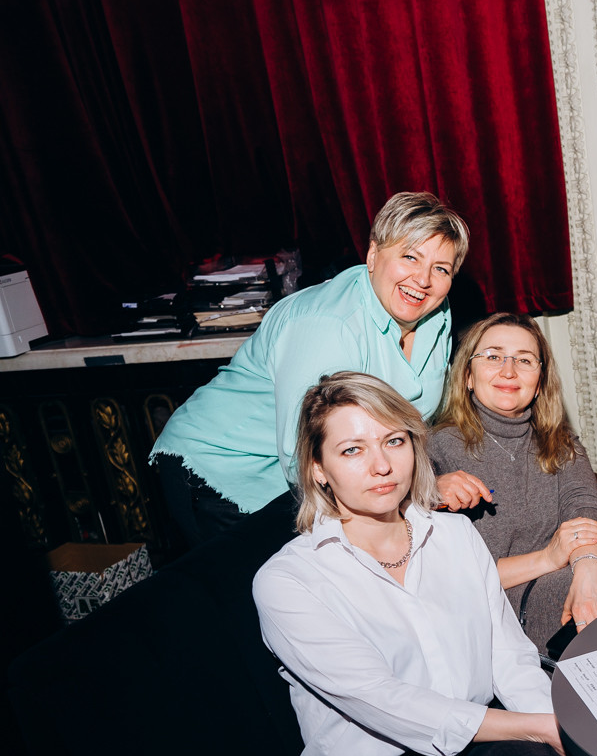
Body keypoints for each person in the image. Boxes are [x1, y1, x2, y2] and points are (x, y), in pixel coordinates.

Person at [253, 372, 597, 756]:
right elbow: (384, 701)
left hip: (487, 749)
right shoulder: (289, 579)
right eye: (352, 450)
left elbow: (510, 659)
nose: (381, 465)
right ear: (318, 469)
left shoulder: (454, 537)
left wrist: (556, 735)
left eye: (394, 441)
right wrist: (541, 729)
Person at [152, 191, 468, 545]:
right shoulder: (328, 325)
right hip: (224, 468)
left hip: (334, 476)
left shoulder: (435, 313)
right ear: (373, 255)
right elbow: (301, 453)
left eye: (441, 269)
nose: (423, 280)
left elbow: (413, 421)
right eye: (410, 257)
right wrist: (420, 491)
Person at [429, 313, 597, 644]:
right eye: (493, 356)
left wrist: (588, 573)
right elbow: (447, 580)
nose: (508, 370)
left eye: (524, 360)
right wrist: (549, 557)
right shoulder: (436, 448)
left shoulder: (559, 442)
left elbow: (585, 512)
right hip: (495, 608)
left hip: (563, 578)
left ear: (539, 382)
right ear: (467, 375)